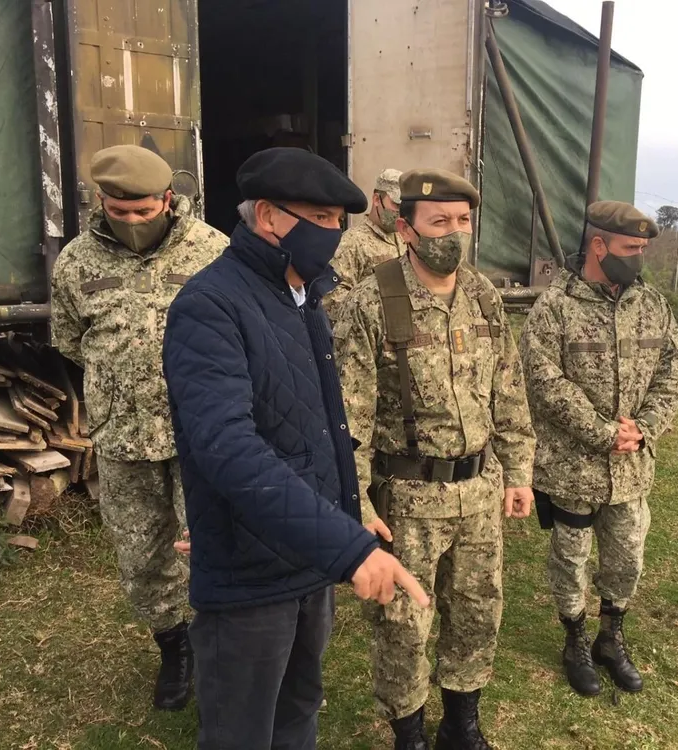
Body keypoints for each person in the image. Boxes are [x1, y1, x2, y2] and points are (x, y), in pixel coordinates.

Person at [161, 147, 428, 750]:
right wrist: (349, 549)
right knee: (243, 730)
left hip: (304, 558)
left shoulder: (302, 296)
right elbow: (227, 447)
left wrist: (347, 510)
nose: (333, 233)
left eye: (339, 221)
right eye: (321, 217)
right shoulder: (211, 305)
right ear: (267, 218)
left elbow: (314, 427)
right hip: (251, 577)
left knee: (298, 708)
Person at [335, 168, 536, 750]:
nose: (454, 232)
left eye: (463, 220)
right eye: (439, 221)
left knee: (477, 611)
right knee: (402, 624)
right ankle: (409, 734)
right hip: (407, 500)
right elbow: (352, 419)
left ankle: (461, 724)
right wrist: (359, 503)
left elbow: (509, 389)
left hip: (478, 491)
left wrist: (518, 471)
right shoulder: (372, 301)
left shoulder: (481, 294)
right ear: (406, 228)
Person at [50, 144, 228, 711]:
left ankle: (221, 648)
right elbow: (71, 341)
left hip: (203, 436)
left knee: (210, 546)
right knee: (142, 555)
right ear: (101, 201)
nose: (130, 222)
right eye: (118, 211)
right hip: (123, 435)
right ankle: (174, 647)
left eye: (143, 211)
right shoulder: (76, 262)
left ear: (167, 200)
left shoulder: (214, 252)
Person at [520, 201, 678, 696]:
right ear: (599, 245)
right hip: (573, 467)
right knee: (571, 558)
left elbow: (673, 368)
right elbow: (543, 381)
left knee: (628, 556)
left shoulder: (651, 304)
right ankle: (574, 638)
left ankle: (611, 637)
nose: (638, 257)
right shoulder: (555, 306)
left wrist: (645, 426)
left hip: (632, 466)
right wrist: (602, 431)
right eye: (630, 248)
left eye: (642, 249)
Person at [325, 168, 407, 320]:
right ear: (377, 199)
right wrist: (374, 313)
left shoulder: (404, 238)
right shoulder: (352, 242)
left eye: (404, 207)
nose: (400, 212)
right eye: (396, 205)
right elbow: (331, 297)